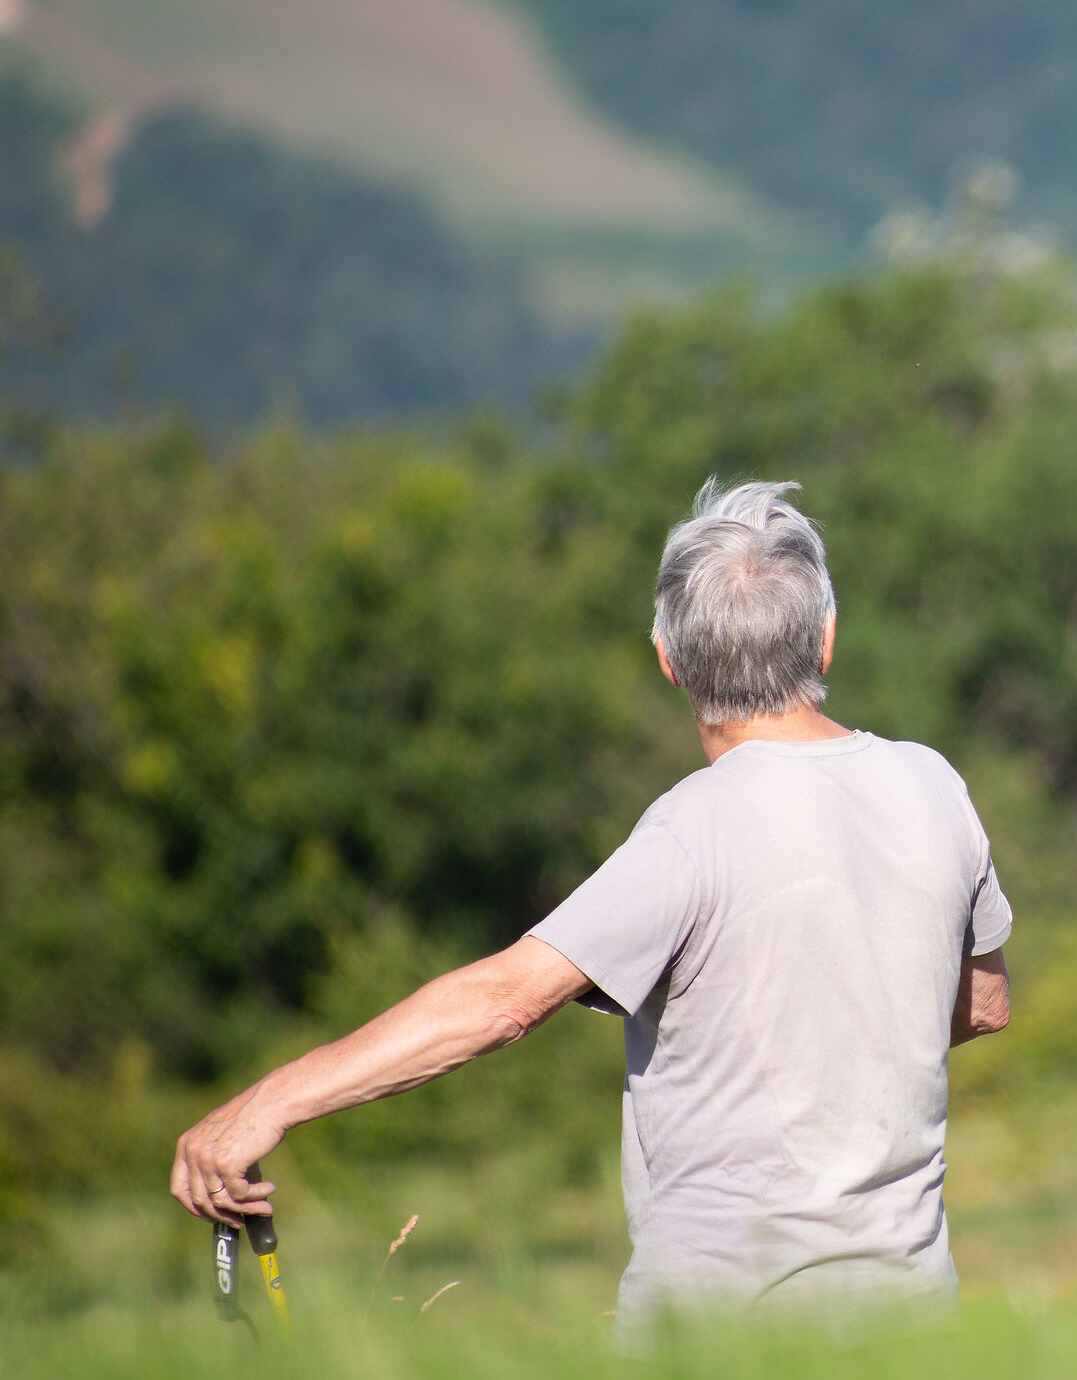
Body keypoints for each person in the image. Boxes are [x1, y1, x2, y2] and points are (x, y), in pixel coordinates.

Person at [171, 480, 1014, 1326]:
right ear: (825, 641)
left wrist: (266, 1105)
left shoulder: (692, 828)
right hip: (913, 1327)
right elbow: (982, 1003)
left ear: (669, 660)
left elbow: (503, 1003)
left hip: (718, 1333)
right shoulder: (933, 785)